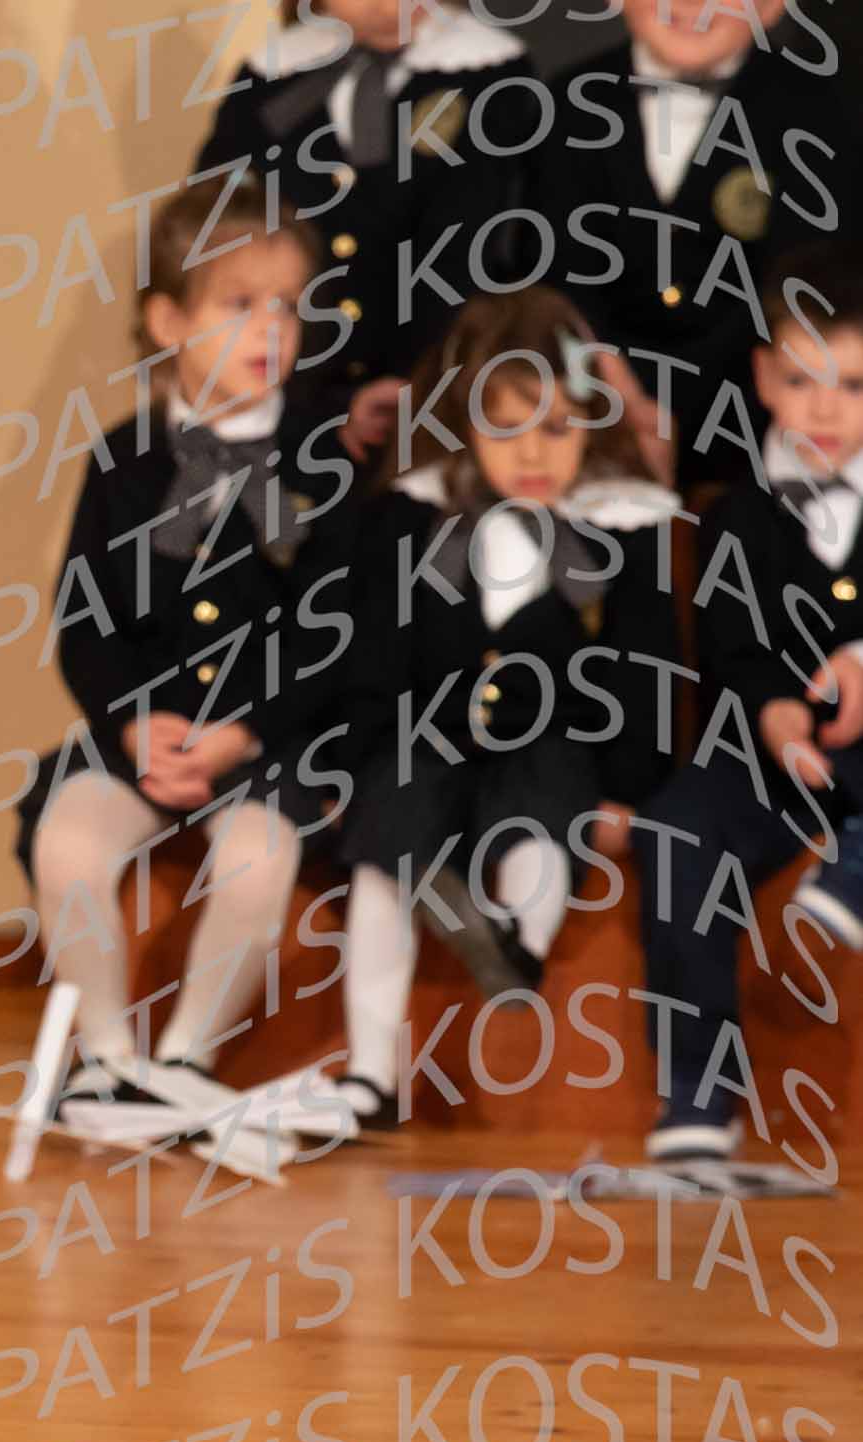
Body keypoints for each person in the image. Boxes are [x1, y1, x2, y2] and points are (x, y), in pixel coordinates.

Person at [283, 286, 682, 1132]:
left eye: (557, 428)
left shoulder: (620, 527)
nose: (532, 453)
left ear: (594, 423)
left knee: (546, 815)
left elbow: (647, 669)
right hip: (429, 733)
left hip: (556, 739)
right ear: (464, 426)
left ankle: (514, 946)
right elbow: (372, 652)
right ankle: (369, 1072)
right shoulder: (411, 519)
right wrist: (350, 764)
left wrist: (629, 787)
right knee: (386, 845)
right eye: (505, 429)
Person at [17, 177, 359, 1120]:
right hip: (145, 735)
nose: (271, 330)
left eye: (287, 307)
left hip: (267, 743)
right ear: (168, 320)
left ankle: (186, 1060)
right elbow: (85, 622)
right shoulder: (122, 464)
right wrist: (133, 725)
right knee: (68, 838)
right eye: (239, 305)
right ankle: (107, 1056)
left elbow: (330, 636)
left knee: (258, 857)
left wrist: (245, 732)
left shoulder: (324, 463)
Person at [632, 245, 863, 1160]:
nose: (825, 410)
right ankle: (697, 1088)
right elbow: (735, 646)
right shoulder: (737, 512)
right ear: (764, 378)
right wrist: (773, 711)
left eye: (852, 386)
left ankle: (854, 870)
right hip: (776, 751)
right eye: (802, 382)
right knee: (677, 829)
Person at [525, 0, 861, 490]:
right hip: (597, 416)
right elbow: (557, 277)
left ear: (771, 8)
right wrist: (621, 401)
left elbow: (804, 284)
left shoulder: (818, 109)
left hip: (763, 426)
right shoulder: (569, 99)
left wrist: (702, 404)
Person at [194, 0, 533, 459]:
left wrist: (418, 387)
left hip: (438, 400)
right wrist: (314, 406)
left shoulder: (489, 71)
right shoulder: (270, 73)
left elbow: (474, 251)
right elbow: (219, 233)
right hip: (289, 399)